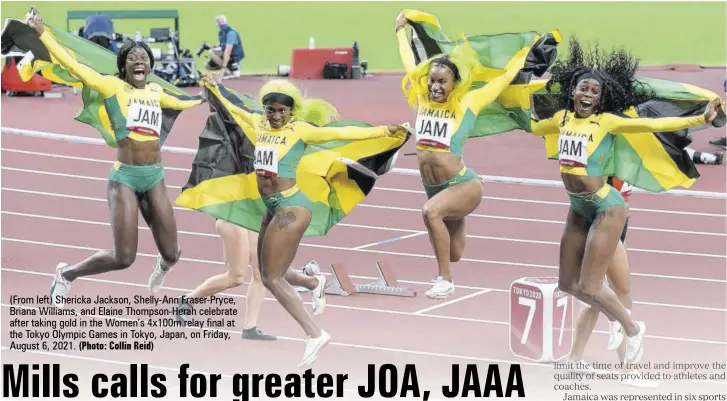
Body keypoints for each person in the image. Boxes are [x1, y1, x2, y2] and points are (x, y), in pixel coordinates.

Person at [529, 37, 723, 364]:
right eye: (582, 88)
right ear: (572, 91)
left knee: (591, 287)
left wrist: (698, 120)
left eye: (594, 91)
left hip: (606, 207)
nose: (588, 94)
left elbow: (652, 123)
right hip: (578, 208)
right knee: (568, 284)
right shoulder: (560, 119)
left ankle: (632, 329)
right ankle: (609, 329)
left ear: (602, 98)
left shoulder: (607, 122)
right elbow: (531, 124)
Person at [202, 75, 408, 366]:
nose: (275, 115)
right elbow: (233, 110)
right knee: (265, 269)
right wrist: (214, 87)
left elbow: (346, 133)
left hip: (292, 208)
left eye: (281, 111)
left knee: (271, 278)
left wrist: (383, 131)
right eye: (270, 110)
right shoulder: (259, 125)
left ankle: (315, 334)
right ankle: (314, 282)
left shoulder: (300, 130)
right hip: (272, 208)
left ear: (291, 111)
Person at [26, 9, 205, 307]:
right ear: (123, 66)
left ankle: (161, 266)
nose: (139, 60)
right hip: (125, 178)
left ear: (150, 66)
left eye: (143, 58)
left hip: (154, 177)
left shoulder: (156, 91)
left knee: (172, 254)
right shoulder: (111, 86)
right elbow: (72, 63)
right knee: (124, 258)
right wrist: (41, 32)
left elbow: (184, 101)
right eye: (132, 58)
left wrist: (210, 93)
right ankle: (67, 274)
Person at [394, 13, 538, 299]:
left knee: (430, 213)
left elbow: (504, 79)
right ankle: (457, 218)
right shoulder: (423, 99)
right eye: (432, 80)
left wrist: (525, 52)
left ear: (455, 83)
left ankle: (444, 279)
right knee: (455, 253)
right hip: (434, 186)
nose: (435, 86)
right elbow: (409, 62)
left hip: (461, 184)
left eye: (442, 82)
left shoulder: (468, 103)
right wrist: (401, 30)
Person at [175, 220, 276, 340]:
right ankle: (187, 300)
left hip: (254, 213)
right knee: (236, 277)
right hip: (234, 215)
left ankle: (250, 328)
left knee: (261, 272)